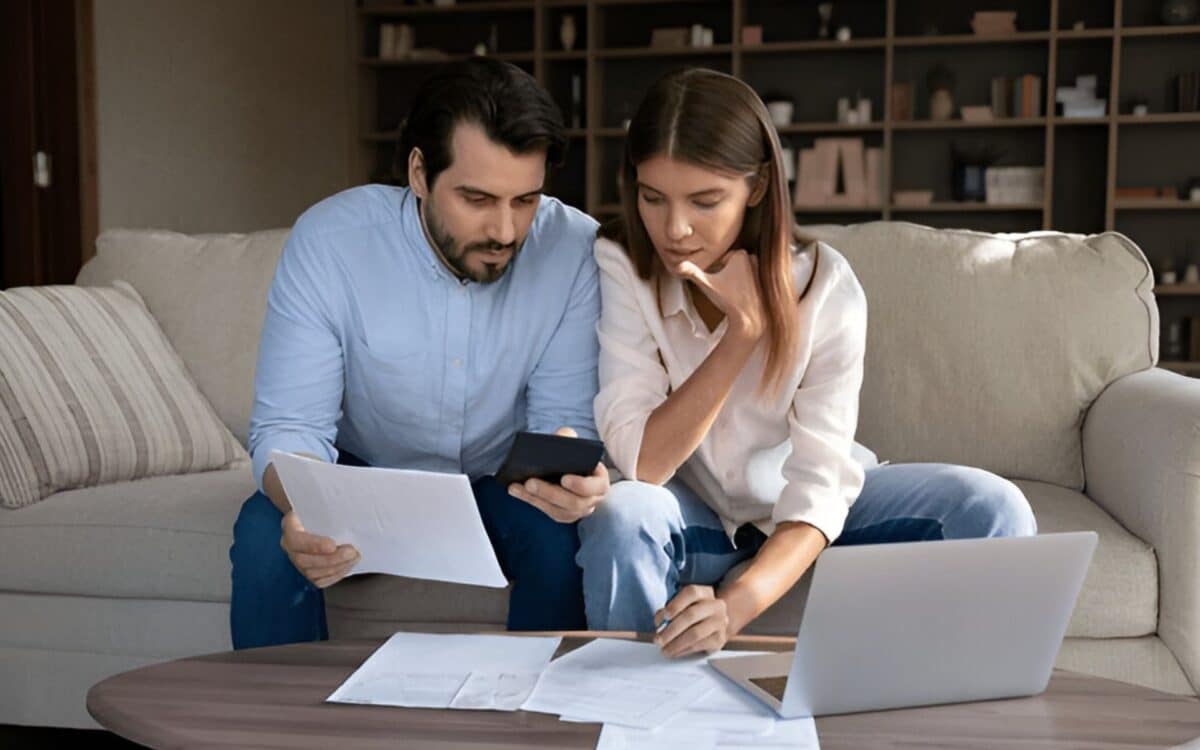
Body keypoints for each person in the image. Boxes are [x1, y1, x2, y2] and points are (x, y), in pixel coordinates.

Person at [577, 68, 1037, 657]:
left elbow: (820, 488)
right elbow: (644, 461)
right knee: (621, 513)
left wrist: (734, 606)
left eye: (706, 200)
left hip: (800, 514)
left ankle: (971, 719)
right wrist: (741, 335)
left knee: (991, 506)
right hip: (692, 515)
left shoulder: (826, 287)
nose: (675, 228)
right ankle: (631, 720)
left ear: (759, 186)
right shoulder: (622, 263)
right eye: (652, 198)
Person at [229, 58, 610, 650]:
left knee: (558, 539)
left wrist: (570, 474)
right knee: (262, 533)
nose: (506, 231)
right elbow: (289, 428)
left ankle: (539, 731)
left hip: (495, 482)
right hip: (360, 475)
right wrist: (307, 504)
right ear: (419, 173)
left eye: (526, 200)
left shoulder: (574, 250)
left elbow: (561, 420)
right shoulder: (330, 243)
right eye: (477, 199)